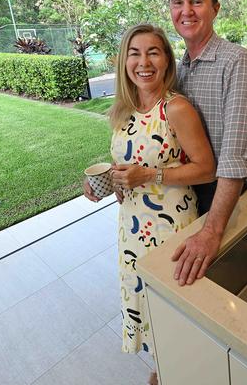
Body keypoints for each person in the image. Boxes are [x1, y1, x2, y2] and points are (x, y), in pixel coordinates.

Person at [83, 24, 215, 384]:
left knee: (170, 304)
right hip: (132, 228)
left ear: (166, 60)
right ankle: (163, 368)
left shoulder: (176, 108)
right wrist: (106, 181)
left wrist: (150, 176)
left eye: (153, 52)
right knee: (144, 299)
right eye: (135, 53)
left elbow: (206, 170)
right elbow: (130, 160)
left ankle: (174, 371)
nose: (144, 62)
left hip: (169, 227)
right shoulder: (123, 110)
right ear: (124, 60)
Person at [167, 0, 247, 287]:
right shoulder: (176, 70)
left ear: (215, 8)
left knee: (220, 287)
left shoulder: (236, 62)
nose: (186, 11)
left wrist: (212, 231)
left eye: (196, 1)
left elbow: (236, 155)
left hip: (220, 195)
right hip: (181, 194)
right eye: (177, 2)